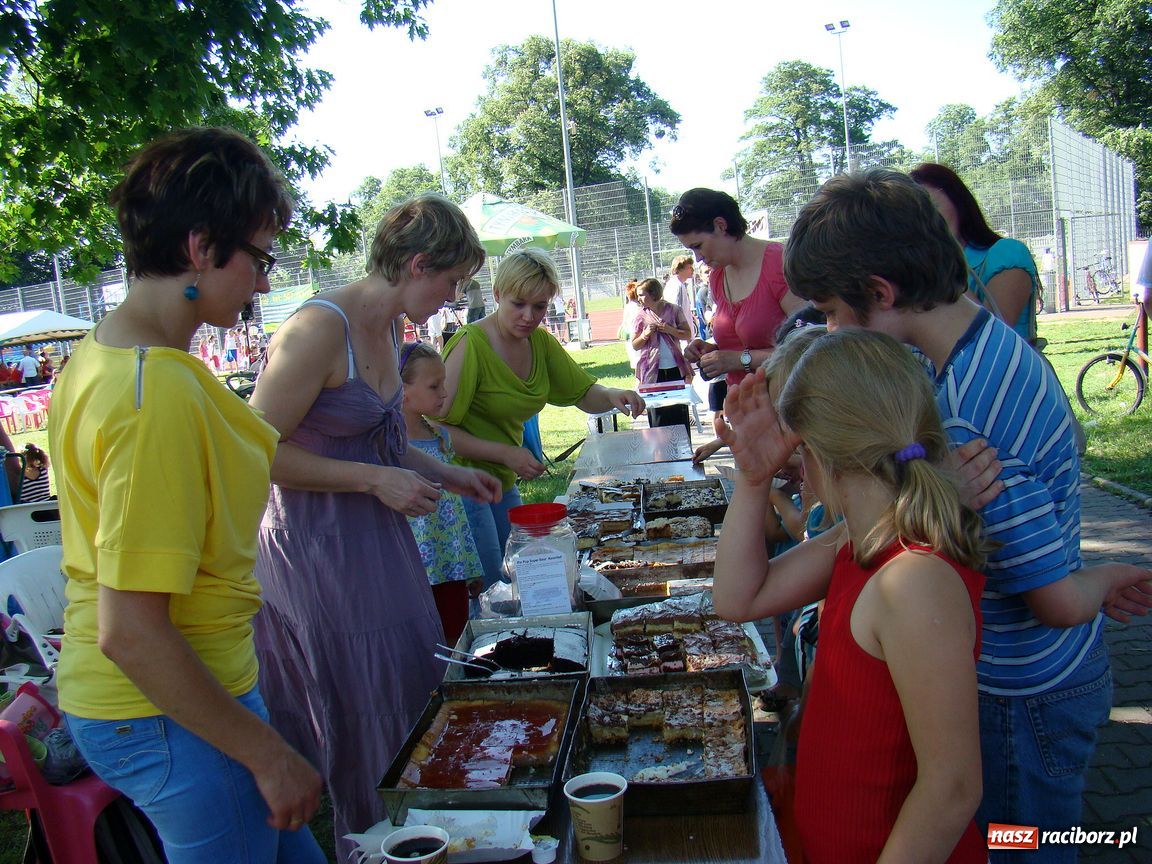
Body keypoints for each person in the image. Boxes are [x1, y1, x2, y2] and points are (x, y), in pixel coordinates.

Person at [783, 168, 1152, 860]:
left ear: (882, 294)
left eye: (832, 312)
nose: (830, 331)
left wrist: (1102, 582)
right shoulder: (958, 357)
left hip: (1024, 699)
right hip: (1011, 685)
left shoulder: (970, 415)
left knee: (1025, 847)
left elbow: (1051, 599)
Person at [49, 127, 326, 863]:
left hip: (186, 696)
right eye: (260, 258)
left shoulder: (113, 356)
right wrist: (267, 754)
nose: (265, 283)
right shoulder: (154, 395)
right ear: (203, 248)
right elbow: (131, 630)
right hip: (164, 709)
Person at [248, 193, 501, 858]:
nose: (452, 297)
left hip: (372, 536)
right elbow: (254, 451)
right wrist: (372, 481)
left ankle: (416, 828)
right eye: (451, 282)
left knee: (413, 678)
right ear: (417, 264)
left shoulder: (391, 331)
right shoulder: (315, 331)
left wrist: (449, 474)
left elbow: (376, 446)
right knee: (359, 700)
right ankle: (370, 840)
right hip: (316, 546)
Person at [714, 328, 988, 862]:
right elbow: (736, 599)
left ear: (815, 453)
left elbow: (952, 788)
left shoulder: (912, 579)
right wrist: (752, 481)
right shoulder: (857, 539)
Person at [440, 248, 645, 587]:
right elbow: (435, 430)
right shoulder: (470, 344)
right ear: (496, 295)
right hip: (459, 484)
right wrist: (506, 453)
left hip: (500, 481)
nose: (528, 316)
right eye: (518, 304)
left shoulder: (539, 342)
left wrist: (611, 396)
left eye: (539, 306)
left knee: (520, 578)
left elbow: (581, 392)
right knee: (493, 584)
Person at [668, 187, 805, 461]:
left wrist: (738, 360)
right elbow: (743, 339)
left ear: (721, 225)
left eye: (698, 246)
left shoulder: (781, 263)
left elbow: (809, 351)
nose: (697, 258)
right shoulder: (719, 276)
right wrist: (711, 350)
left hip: (790, 420)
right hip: (747, 419)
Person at [399, 340, 485, 645]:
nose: (445, 393)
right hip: (414, 572)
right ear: (402, 390)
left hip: (451, 567)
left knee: (457, 641)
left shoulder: (440, 438)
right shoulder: (389, 447)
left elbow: (457, 516)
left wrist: (470, 565)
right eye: (435, 386)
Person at [910, 162, 1040, 342]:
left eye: (931, 205)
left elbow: (993, 334)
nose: (927, 219)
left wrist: (942, 263)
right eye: (915, 213)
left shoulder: (1007, 253)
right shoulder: (918, 269)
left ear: (957, 201)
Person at [630, 277, 693, 435]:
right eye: (638, 295)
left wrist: (669, 329)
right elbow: (635, 344)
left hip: (675, 369)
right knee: (658, 416)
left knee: (678, 413)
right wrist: (645, 334)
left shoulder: (674, 310)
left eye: (642, 294)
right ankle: (660, 453)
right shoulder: (640, 316)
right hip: (652, 372)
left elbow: (687, 334)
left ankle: (683, 452)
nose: (639, 298)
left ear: (654, 294)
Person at [664, 254, 695, 333]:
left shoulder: (673, 283)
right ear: (679, 269)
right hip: (681, 334)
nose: (692, 270)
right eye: (689, 267)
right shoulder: (678, 286)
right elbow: (678, 310)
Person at [619, 281, 642, 370]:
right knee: (640, 362)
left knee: (636, 363)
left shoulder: (628, 306)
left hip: (629, 337)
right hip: (637, 337)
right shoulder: (638, 308)